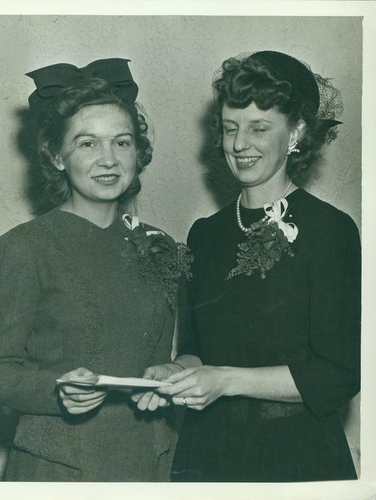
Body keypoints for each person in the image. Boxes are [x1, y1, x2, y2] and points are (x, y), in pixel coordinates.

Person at [133, 51, 361, 482]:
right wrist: (175, 373)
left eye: (259, 128)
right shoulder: (206, 233)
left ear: (295, 133)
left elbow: (337, 375)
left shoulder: (331, 229)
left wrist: (225, 380)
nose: (239, 144)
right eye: (231, 128)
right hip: (207, 454)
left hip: (298, 458)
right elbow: (198, 348)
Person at [0, 58, 185, 481]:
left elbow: (157, 357)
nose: (108, 159)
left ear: (138, 152)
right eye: (86, 144)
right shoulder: (22, 248)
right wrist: (54, 390)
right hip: (59, 467)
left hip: (148, 461)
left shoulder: (160, 246)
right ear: (56, 156)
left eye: (122, 142)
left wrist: (170, 372)